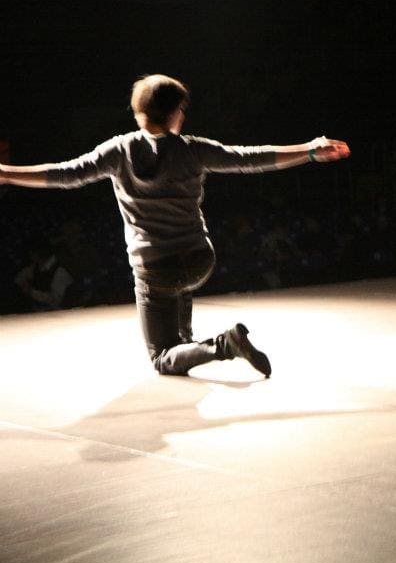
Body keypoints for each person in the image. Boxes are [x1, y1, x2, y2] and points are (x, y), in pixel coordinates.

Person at [0, 74, 350, 377]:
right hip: (199, 261)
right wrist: (309, 150)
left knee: (161, 357)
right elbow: (251, 158)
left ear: (139, 114)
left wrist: (7, 174)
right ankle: (194, 343)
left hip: (156, 269)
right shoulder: (193, 150)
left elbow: (66, 174)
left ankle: (226, 344)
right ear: (175, 113)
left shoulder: (119, 150)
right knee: (181, 335)